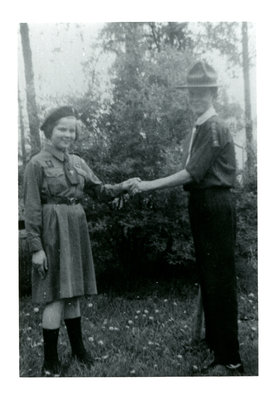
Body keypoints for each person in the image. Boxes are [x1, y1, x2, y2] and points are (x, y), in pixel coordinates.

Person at [129, 61, 243, 375]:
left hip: (215, 204)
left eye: (202, 92)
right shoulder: (200, 125)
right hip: (202, 204)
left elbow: (192, 172)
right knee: (209, 276)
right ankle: (215, 343)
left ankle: (230, 360)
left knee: (219, 280)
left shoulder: (213, 127)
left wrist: (149, 185)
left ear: (213, 93)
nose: (196, 97)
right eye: (192, 92)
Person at [23, 106, 139, 377]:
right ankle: (50, 361)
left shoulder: (78, 162)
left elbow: (101, 191)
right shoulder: (36, 164)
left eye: (71, 129)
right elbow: (31, 209)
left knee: (73, 293)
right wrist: (36, 248)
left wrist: (123, 185)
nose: (67, 134)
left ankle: (79, 351)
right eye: (61, 128)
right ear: (49, 131)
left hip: (75, 228)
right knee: (54, 295)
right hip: (52, 231)